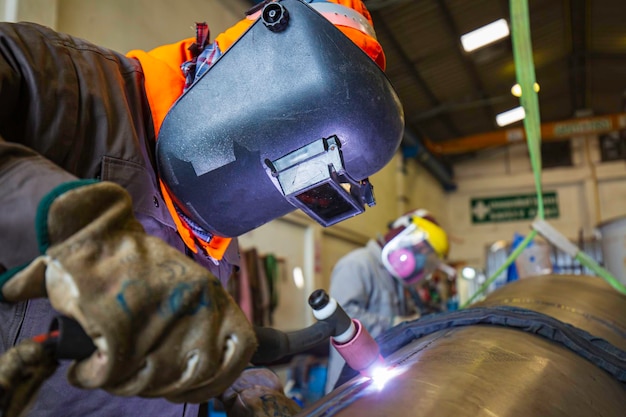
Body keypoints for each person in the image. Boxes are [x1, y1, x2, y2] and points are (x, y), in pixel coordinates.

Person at [0, 0, 403, 416]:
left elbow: (197, 337)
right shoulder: (66, 82)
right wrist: (90, 244)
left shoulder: (219, 211)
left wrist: (248, 386)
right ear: (240, 56)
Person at [324, 209, 450, 394]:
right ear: (402, 236)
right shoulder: (357, 264)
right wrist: (393, 325)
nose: (421, 260)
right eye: (421, 250)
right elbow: (341, 319)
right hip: (350, 383)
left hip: (382, 379)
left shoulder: (395, 277)